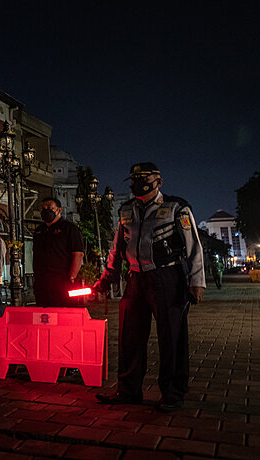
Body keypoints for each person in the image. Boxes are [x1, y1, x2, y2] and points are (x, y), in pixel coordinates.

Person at [93, 162, 205, 412]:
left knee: (172, 337)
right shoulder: (126, 210)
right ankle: (128, 390)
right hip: (135, 279)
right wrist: (106, 277)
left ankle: (173, 393)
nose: (137, 182)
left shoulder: (177, 207)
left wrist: (197, 281)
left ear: (159, 182)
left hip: (168, 278)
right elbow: (116, 247)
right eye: (134, 178)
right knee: (129, 337)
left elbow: (193, 246)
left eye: (144, 178)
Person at [32, 197, 85, 307]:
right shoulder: (39, 231)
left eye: (50, 208)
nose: (46, 211)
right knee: (44, 314)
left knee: (63, 313)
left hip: (62, 281)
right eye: (44, 208)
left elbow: (78, 254)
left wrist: (71, 277)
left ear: (59, 210)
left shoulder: (69, 229)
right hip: (42, 282)